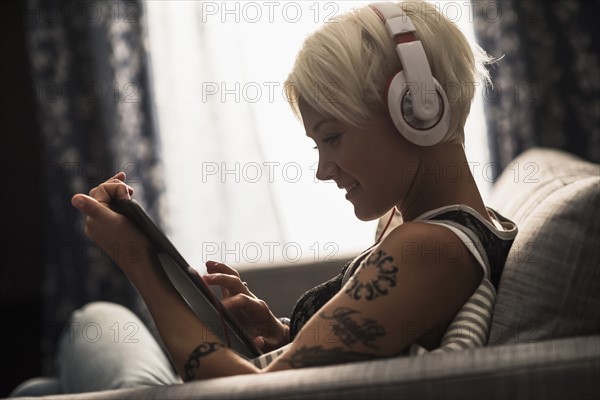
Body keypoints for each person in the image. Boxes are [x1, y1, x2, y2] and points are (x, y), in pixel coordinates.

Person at [11, 0, 517, 395]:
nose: (322, 170)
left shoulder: (435, 247)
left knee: (95, 321)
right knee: (39, 388)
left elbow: (249, 392)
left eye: (332, 137)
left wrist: (138, 263)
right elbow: (352, 360)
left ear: (416, 110)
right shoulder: (418, 225)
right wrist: (281, 333)